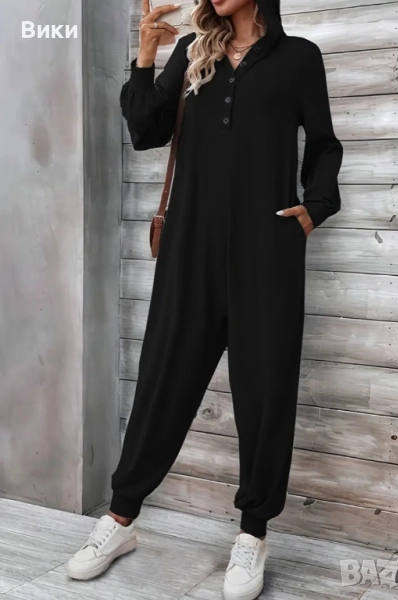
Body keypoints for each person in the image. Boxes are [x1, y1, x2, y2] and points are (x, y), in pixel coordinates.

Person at [66, 0, 343, 597]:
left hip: (267, 250)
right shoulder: (195, 53)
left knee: (264, 389)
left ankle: (253, 534)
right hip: (189, 247)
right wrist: (146, 55)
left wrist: (313, 210)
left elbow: (324, 145)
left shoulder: (299, 59)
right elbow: (146, 132)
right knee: (164, 377)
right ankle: (120, 518)